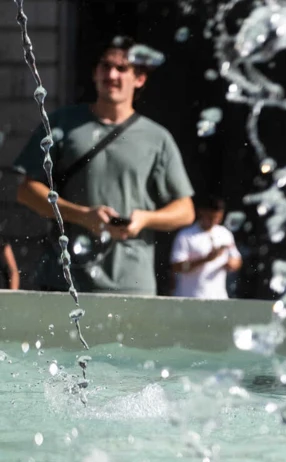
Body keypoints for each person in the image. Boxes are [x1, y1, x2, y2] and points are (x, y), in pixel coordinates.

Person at [12, 36, 194, 295]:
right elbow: (26, 191)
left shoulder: (157, 138)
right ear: (95, 73)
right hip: (64, 280)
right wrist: (82, 215)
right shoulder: (61, 123)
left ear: (139, 79)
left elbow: (186, 211)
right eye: (105, 66)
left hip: (131, 285)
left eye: (122, 68)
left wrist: (144, 219)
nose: (111, 74)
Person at [170, 196, 243, 299]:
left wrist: (232, 264)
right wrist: (206, 259)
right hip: (190, 298)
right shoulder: (185, 235)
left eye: (218, 218)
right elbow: (176, 267)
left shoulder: (225, 234)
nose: (214, 221)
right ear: (201, 212)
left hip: (218, 298)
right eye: (211, 218)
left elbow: (237, 260)